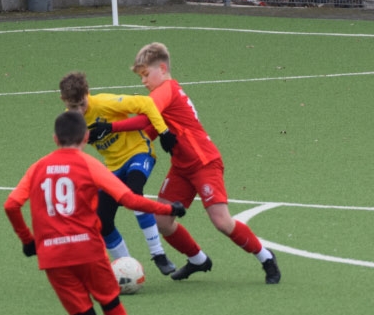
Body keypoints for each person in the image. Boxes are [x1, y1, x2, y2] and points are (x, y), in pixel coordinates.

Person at [4, 111, 187, 315]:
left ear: (55, 139)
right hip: (88, 250)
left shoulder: (38, 167)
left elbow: (11, 205)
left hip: (53, 256)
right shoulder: (89, 164)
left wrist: (28, 241)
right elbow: (128, 199)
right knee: (115, 313)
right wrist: (168, 208)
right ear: (86, 137)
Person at [93, 41, 280, 284]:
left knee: (222, 221)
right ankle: (198, 260)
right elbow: (148, 131)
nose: (144, 81)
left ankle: (266, 257)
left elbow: (143, 120)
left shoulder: (165, 90)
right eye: (141, 77)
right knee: (162, 220)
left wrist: (110, 127)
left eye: (146, 74)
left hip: (204, 162)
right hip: (181, 166)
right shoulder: (162, 95)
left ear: (162, 68)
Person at [58, 71, 179, 276]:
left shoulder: (105, 103)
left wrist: (164, 132)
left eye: (82, 104)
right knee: (102, 221)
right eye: (73, 106)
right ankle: (127, 267)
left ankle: (158, 254)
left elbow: (147, 104)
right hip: (113, 167)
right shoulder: (71, 120)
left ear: (88, 93)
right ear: (63, 100)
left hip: (138, 153)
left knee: (134, 194)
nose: (78, 111)